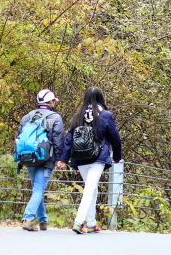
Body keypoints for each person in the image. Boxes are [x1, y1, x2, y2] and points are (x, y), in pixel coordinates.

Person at [56, 86, 122, 234]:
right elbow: (116, 138)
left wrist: (63, 159)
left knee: (92, 189)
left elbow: (69, 140)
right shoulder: (106, 115)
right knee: (90, 189)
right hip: (97, 157)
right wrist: (117, 157)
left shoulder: (78, 115)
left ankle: (92, 224)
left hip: (80, 158)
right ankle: (78, 222)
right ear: (101, 98)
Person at [15, 88, 64, 231]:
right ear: (50, 101)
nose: (54, 103)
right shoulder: (55, 118)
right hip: (45, 159)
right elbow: (58, 140)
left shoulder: (26, 117)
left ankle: (42, 220)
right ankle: (28, 218)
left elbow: (19, 138)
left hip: (28, 158)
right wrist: (59, 159)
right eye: (54, 100)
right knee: (38, 188)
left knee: (37, 188)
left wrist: (18, 157)